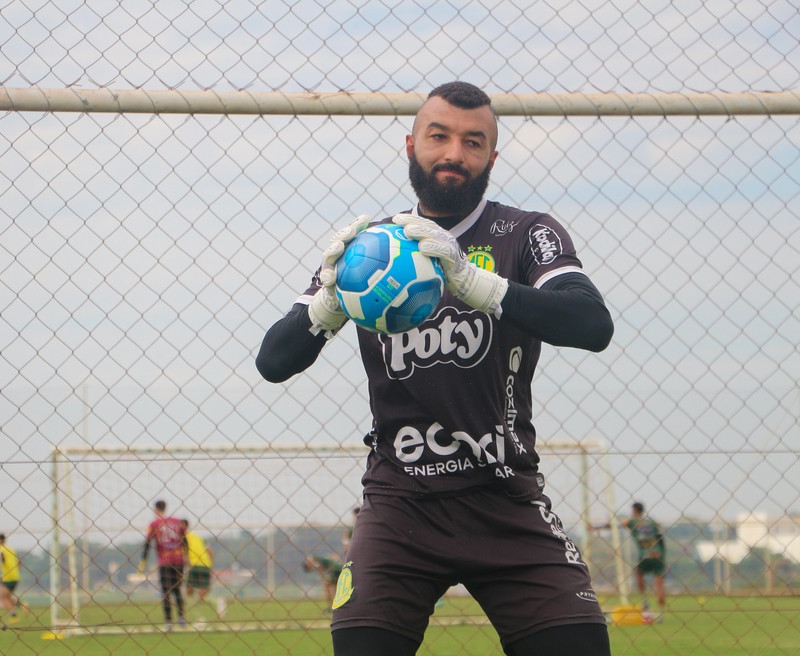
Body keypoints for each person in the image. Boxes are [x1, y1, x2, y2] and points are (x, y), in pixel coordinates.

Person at [256, 81, 614, 656]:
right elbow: (273, 362)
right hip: (401, 505)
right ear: (410, 144)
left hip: (506, 497)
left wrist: (478, 285)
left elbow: (592, 324)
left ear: (491, 159)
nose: (454, 154)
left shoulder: (526, 233)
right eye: (438, 136)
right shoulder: (372, 250)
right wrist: (326, 303)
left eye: (474, 142)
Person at [593, 502, 666, 618]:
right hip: (657, 554)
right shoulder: (651, 521)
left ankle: (644, 600)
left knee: (639, 574)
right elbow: (660, 531)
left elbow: (616, 525)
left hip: (644, 554)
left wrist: (598, 527)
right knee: (658, 579)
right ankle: (661, 602)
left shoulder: (633, 521)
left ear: (634, 510)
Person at [140, 499, 188, 630]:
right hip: (179, 561)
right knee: (177, 590)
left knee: (166, 591)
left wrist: (143, 560)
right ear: (165, 508)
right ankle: (182, 619)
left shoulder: (154, 524)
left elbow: (148, 542)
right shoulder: (177, 522)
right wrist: (186, 556)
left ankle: (168, 622)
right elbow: (185, 540)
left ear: (155, 509)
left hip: (165, 562)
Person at [0, 533, 26, 623]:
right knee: (7, 597)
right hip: (16, 576)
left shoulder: (0, 551)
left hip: (7, 577)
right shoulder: (11, 550)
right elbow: (19, 563)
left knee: (3, 598)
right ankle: (22, 605)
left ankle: (14, 616)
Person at [182, 519, 215, 603]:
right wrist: (211, 564)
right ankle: (200, 601)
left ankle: (190, 602)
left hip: (193, 564)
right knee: (204, 585)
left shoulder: (182, 539)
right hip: (205, 564)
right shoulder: (197, 537)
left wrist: (187, 564)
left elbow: (184, 554)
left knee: (190, 585)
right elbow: (210, 550)